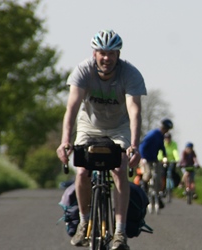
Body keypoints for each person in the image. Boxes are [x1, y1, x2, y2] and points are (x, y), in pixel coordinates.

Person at [56, 29, 147, 250]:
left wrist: (134, 146)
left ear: (118, 54)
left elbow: (134, 111)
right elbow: (72, 108)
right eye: (102, 53)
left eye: (112, 53)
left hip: (119, 128)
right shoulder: (83, 70)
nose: (106, 58)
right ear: (94, 53)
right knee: (82, 171)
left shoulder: (130, 74)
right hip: (89, 126)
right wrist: (65, 141)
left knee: (119, 168)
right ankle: (84, 221)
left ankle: (119, 232)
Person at [138, 119, 174, 206]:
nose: (166, 131)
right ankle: (143, 189)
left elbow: (161, 146)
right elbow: (142, 146)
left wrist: (165, 156)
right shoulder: (153, 134)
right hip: (145, 158)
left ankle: (157, 196)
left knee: (158, 177)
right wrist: (142, 158)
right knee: (148, 174)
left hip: (154, 159)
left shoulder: (161, 136)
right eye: (166, 129)